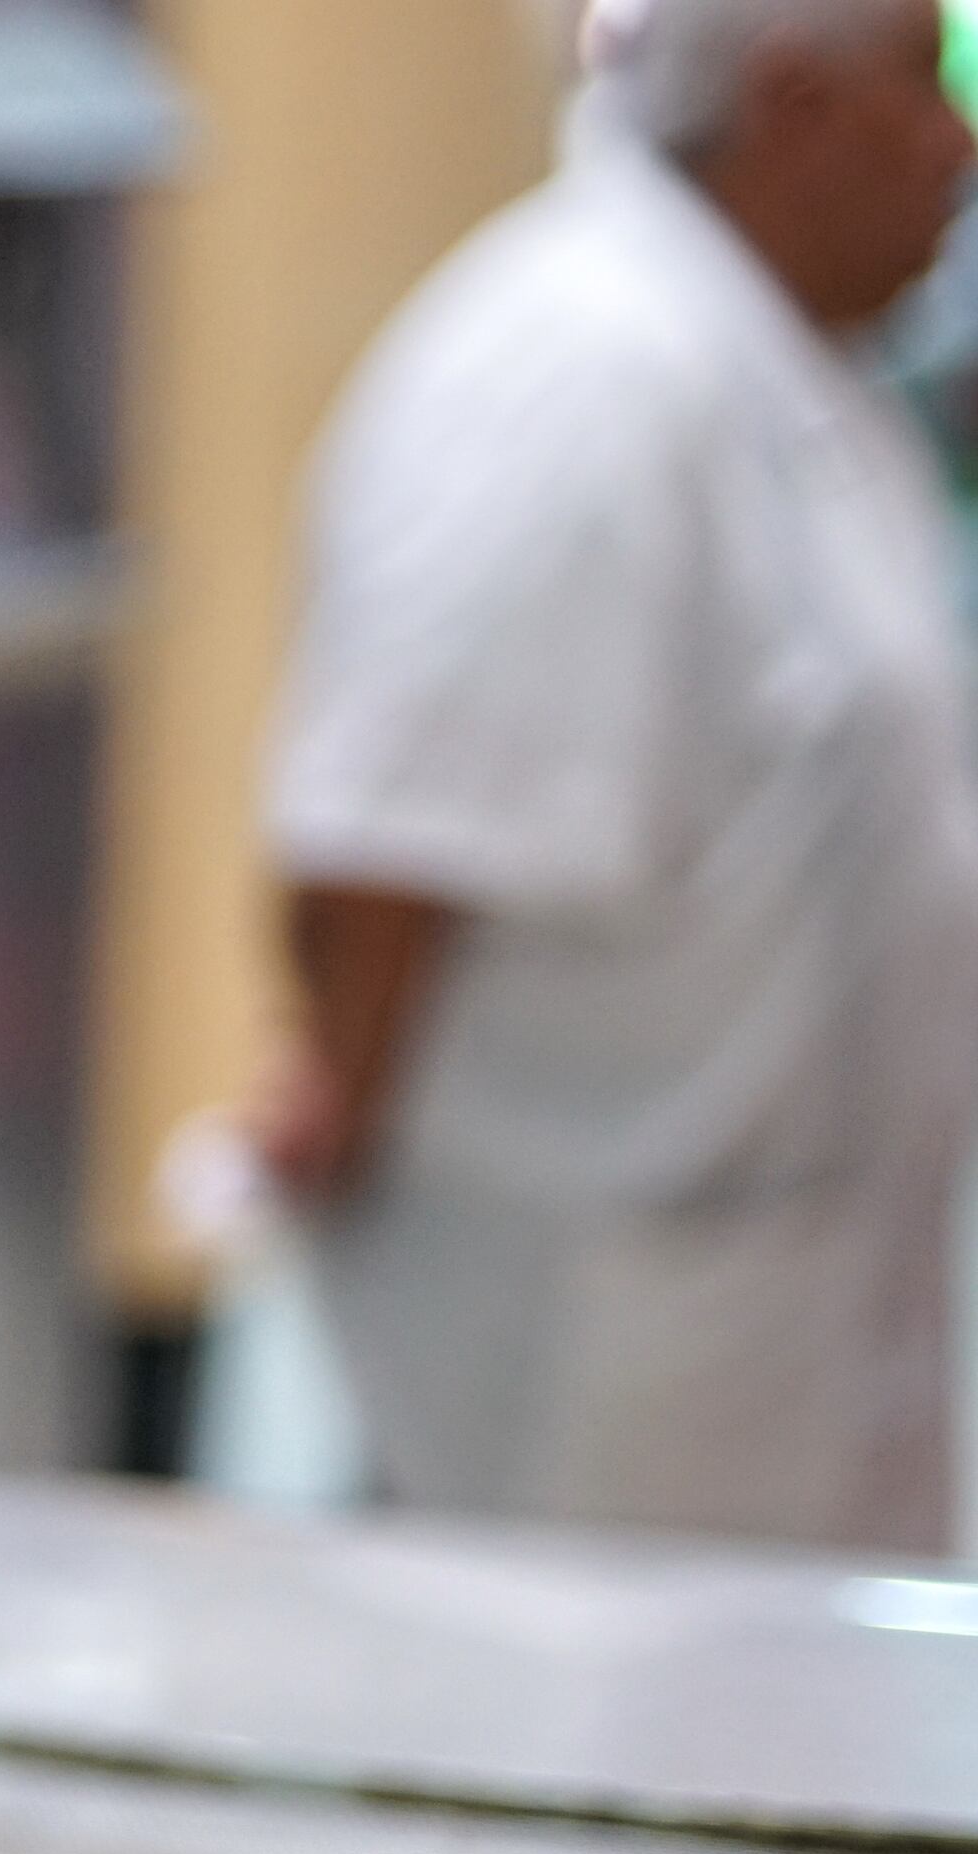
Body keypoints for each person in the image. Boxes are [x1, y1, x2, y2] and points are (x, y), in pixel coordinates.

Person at [247, 0, 978, 1550]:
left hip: (784, 1316)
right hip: (604, 1349)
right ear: (792, 107)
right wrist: (340, 1105)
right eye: (920, 92)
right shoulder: (572, 375)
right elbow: (385, 837)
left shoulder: (800, 373)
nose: (956, 152)